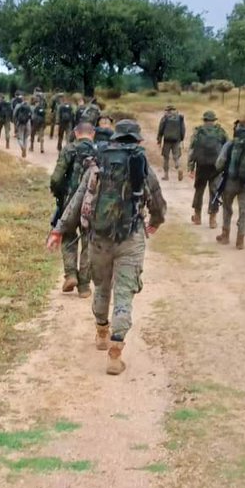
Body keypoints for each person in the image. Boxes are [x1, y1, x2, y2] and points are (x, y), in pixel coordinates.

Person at [47, 119, 166, 375]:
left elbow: (79, 198)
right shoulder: (141, 162)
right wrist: (155, 222)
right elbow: (157, 201)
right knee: (124, 293)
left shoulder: (97, 163)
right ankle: (115, 351)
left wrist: (58, 230)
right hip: (130, 238)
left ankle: (101, 331)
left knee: (101, 287)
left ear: (114, 138)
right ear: (137, 140)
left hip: (99, 238)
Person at [49, 119, 98, 296]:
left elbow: (56, 178)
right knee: (88, 242)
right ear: (93, 134)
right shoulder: (99, 151)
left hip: (69, 201)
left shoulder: (69, 149)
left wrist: (58, 193)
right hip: (91, 203)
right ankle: (84, 285)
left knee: (68, 236)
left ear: (76, 133)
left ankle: (70, 274)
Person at [212, 120, 245, 247]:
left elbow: (219, 163)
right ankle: (240, 240)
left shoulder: (230, 144)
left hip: (230, 182)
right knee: (244, 211)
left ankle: (225, 235)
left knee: (227, 208)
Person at [186, 110, 227, 226]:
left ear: (204, 120)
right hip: (216, 167)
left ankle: (197, 217)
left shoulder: (198, 132)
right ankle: (212, 219)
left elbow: (192, 150)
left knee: (199, 191)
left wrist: (191, 167)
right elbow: (226, 149)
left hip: (201, 166)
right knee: (214, 191)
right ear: (214, 120)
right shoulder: (221, 132)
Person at [157, 104, 186, 180]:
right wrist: (182, 138)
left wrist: (159, 139)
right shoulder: (179, 117)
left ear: (168, 110)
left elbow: (161, 129)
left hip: (167, 140)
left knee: (166, 158)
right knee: (176, 156)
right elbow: (183, 129)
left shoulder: (165, 118)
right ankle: (178, 167)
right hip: (176, 140)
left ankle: (166, 175)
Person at [13, 94, 32, 158]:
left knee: (19, 138)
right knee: (25, 138)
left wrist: (15, 124)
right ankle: (25, 150)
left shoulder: (18, 106)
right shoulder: (29, 106)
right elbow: (31, 116)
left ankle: (22, 148)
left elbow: (14, 115)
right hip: (27, 123)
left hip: (20, 123)